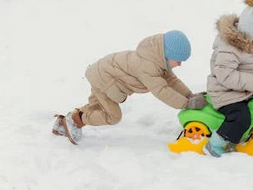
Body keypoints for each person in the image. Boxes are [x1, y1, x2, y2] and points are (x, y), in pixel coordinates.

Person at [52, 30, 208, 145]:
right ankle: (74, 120)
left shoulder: (157, 60)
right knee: (113, 116)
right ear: (166, 54)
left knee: (96, 106)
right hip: (104, 79)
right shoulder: (148, 66)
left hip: (103, 73)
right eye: (178, 60)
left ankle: (63, 124)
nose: (179, 64)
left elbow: (172, 81)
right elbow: (161, 90)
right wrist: (186, 104)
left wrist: (189, 95)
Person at [203, 0, 253, 157]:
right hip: (225, 93)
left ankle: (251, 131)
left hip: (242, 90)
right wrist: (252, 81)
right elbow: (225, 75)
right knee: (240, 117)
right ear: (247, 36)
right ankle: (216, 144)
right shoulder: (229, 50)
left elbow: (252, 64)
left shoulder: (252, 47)